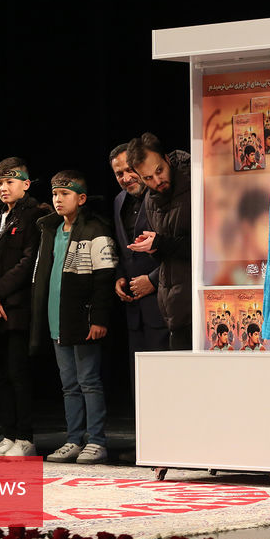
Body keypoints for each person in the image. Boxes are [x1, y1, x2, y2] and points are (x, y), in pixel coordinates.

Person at [31, 170, 118, 465]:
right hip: (58, 319)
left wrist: (99, 318)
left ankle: (96, 441)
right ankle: (74, 438)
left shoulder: (95, 229)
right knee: (69, 384)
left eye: (65, 194)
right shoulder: (50, 229)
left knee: (89, 381)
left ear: (81, 198)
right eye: (55, 194)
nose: (58, 199)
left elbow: (104, 278)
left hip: (83, 319)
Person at [0, 158, 43, 457]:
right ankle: (8, 435)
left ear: (25, 184)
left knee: (18, 373)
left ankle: (25, 438)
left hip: (17, 307)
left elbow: (28, 262)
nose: (3, 188)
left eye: (10, 182)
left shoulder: (34, 215)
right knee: (0, 375)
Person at [109, 144, 169, 390]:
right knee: (141, 385)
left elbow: (181, 250)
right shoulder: (118, 201)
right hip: (134, 309)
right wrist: (120, 277)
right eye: (119, 174)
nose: (126, 178)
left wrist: (152, 281)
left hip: (165, 303)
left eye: (129, 170)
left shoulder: (164, 195)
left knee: (164, 382)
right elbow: (123, 249)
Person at [126, 133, 192, 350]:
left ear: (167, 159)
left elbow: (208, 246)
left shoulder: (195, 181)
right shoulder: (149, 199)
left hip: (201, 300)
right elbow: (167, 257)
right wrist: (152, 248)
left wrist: (160, 243)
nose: (157, 181)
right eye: (147, 178)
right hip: (174, 306)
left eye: (159, 171)